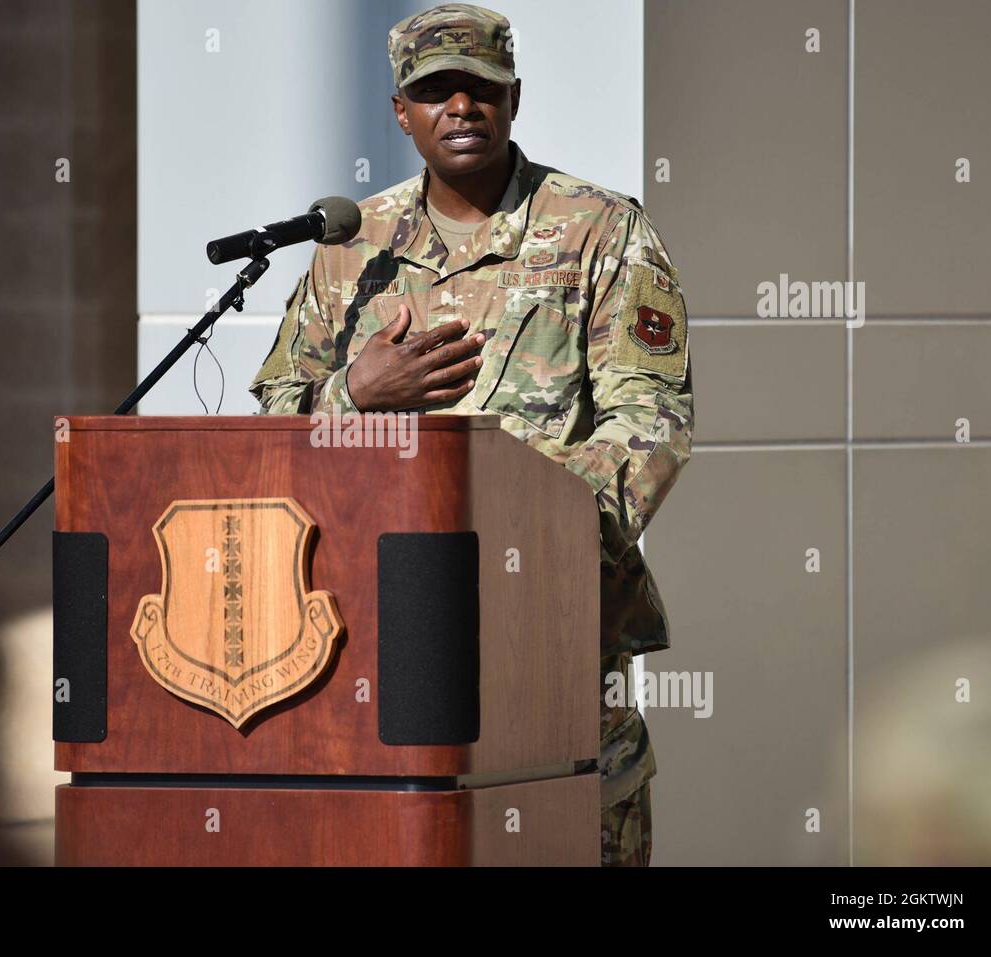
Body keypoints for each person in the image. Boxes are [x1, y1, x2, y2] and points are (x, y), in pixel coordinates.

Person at [249, 2, 693, 866]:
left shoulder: (602, 230)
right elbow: (274, 422)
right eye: (435, 89)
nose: (461, 105)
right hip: (376, 638)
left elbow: (651, 424)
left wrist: (525, 545)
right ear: (401, 113)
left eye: (480, 87)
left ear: (514, 99)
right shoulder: (351, 249)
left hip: (550, 634)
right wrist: (355, 392)